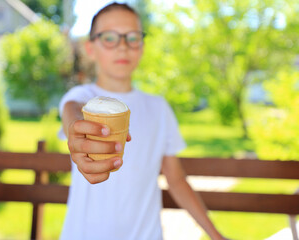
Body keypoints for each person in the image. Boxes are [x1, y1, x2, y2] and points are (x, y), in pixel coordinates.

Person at [59, 2, 226, 240]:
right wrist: (77, 134)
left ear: (142, 46)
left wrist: (215, 235)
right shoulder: (82, 98)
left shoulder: (159, 109)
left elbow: (176, 180)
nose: (123, 47)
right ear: (90, 48)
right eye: (109, 38)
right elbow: (71, 113)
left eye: (132, 38)